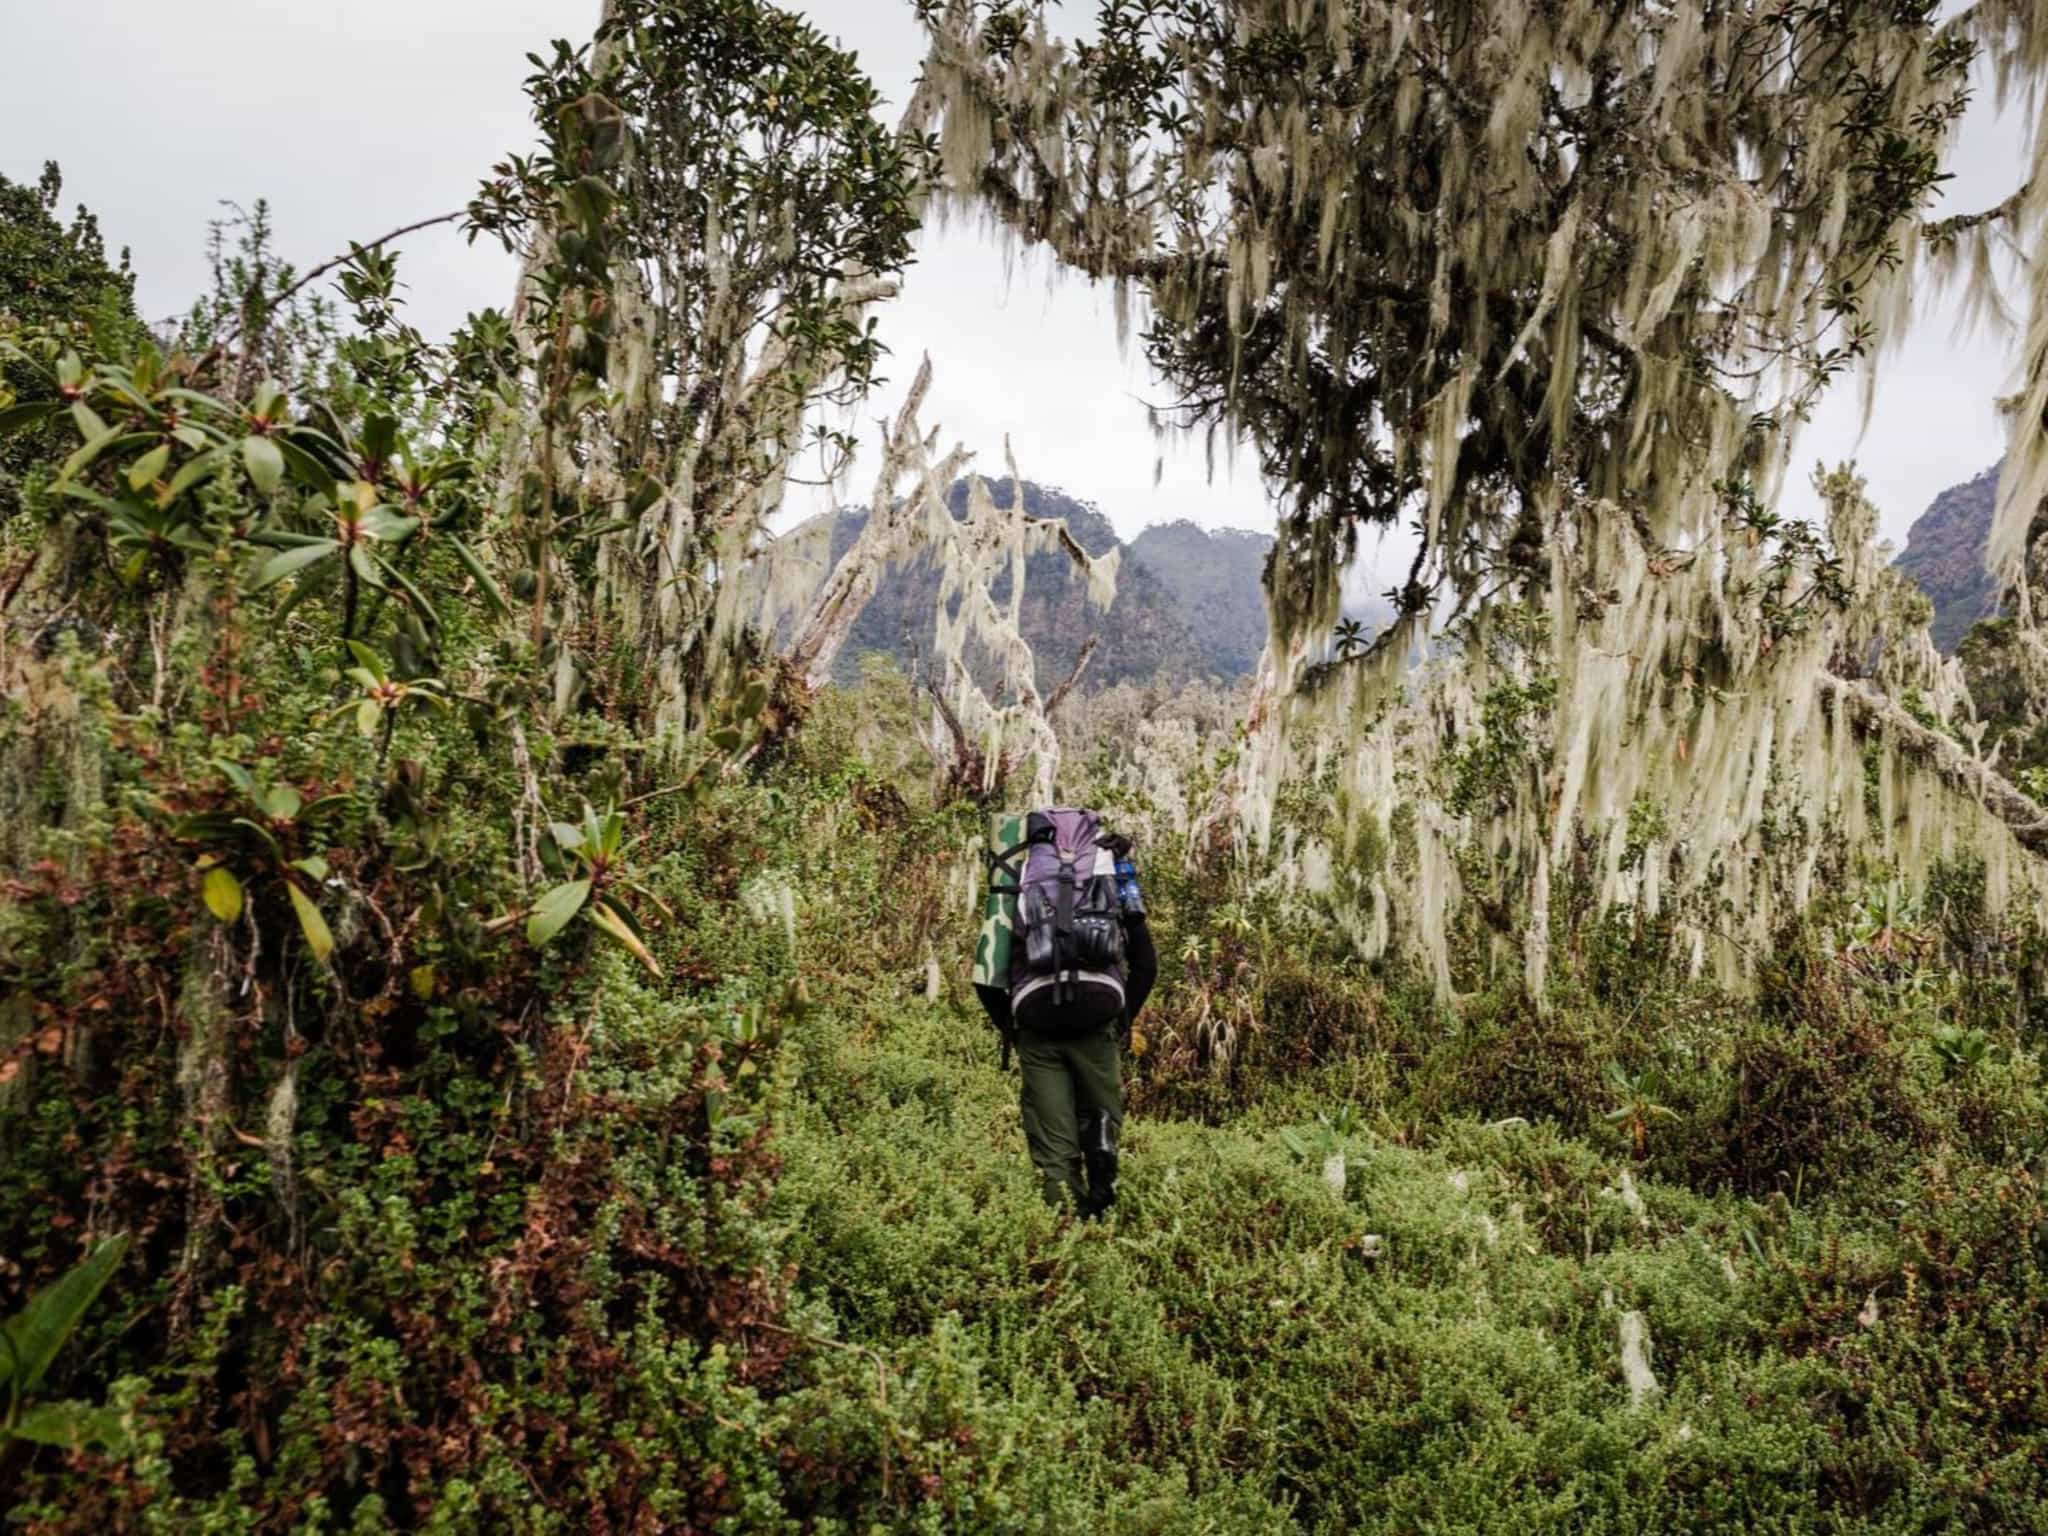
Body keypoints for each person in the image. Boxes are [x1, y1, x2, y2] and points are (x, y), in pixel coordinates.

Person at [974, 828, 1156, 1218]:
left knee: (1053, 1145)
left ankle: (1064, 1231)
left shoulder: (1017, 879)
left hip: (1037, 1025)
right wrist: (1120, 1023)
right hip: (1098, 1021)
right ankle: (1102, 1173)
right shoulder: (1109, 875)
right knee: (1102, 1118)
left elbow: (985, 979)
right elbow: (1146, 966)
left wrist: (1014, 1030)